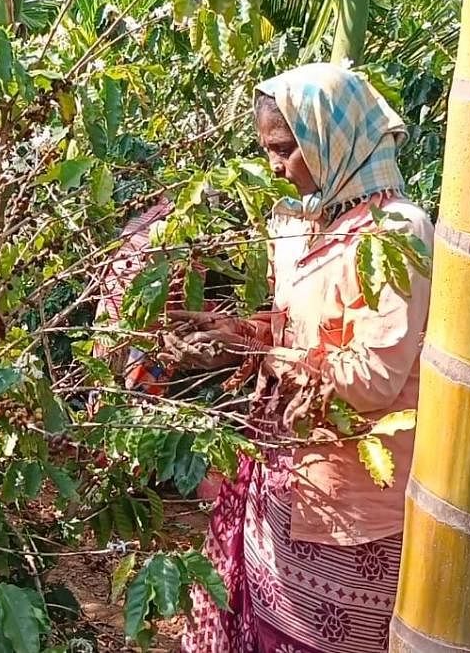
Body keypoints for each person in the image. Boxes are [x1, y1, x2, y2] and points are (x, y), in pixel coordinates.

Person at [167, 64, 432, 652]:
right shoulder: (302, 224)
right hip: (283, 476)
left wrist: (266, 350)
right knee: (268, 626)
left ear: (329, 139)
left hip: (351, 501)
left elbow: (371, 381)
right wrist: (239, 331)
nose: (275, 167)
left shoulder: (395, 233)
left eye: (286, 150)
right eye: (268, 151)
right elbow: (297, 326)